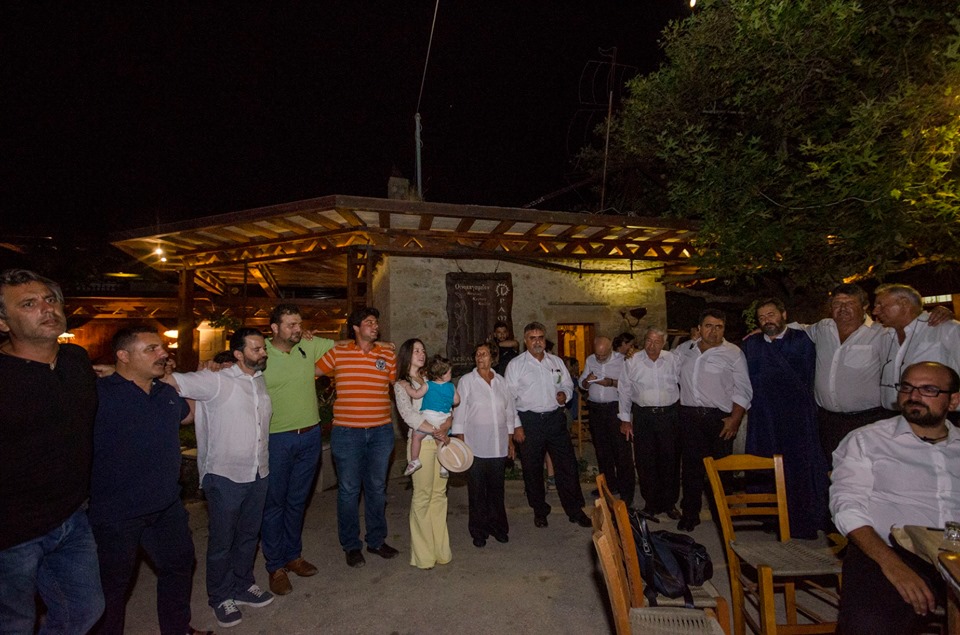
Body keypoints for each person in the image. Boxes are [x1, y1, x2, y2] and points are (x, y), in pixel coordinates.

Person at [0, 269, 105, 633]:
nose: (46, 308)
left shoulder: (76, 359)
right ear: (3, 322)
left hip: (72, 518)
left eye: (50, 299)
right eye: (29, 304)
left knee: (84, 610)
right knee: (14, 623)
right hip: (12, 533)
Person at [89, 326, 206, 635]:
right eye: (151, 349)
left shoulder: (165, 393)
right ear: (123, 356)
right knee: (113, 586)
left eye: (161, 347)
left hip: (166, 506)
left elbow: (187, 415)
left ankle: (177, 629)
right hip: (117, 512)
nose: (163, 353)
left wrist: (202, 378)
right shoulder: (98, 394)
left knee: (179, 566)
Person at [830, 361, 960, 635]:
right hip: (892, 551)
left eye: (928, 390)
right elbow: (847, 507)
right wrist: (892, 565)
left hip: (956, 552)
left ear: (953, 400)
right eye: (907, 387)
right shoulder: (867, 440)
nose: (914, 396)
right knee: (870, 624)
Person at [164, 327, 274, 628]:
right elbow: (171, 381)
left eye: (263, 348)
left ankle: (243, 585)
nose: (263, 353)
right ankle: (220, 596)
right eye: (256, 349)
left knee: (249, 535)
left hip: (258, 471)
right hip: (225, 474)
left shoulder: (259, 380)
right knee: (222, 541)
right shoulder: (216, 380)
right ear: (238, 353)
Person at [315, 307, 399, 568]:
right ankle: (351, 545)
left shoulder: (387, 354)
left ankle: (376, 541)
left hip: (381, 432)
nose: (375, 326)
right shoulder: (338, 353)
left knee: (377, 488)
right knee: (349, 490)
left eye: (376, 322)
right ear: (355, 327)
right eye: (369, 322)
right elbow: (311, 372)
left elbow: (398, 386)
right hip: (347, 432)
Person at [261, 304, 335, 595]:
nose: (297, 329)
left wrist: (380, 344)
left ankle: (293, 555)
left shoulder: (307, 345)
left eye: (299, 324)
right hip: (276, 438)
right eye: (290, 325)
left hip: (310, 435)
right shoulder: (261, 351)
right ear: (274, 328)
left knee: (297, 500)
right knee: (274, 503)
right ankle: (275, 566)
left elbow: (343, 345)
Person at [743, 298, 829, 539]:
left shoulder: (804, 340)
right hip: (764, 417)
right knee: (767, 466)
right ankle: (771, 518)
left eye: (771, 314)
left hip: (798, 417)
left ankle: (803, 521)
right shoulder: (751, 345)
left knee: (799, 468)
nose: (766, 321)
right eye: (761, 318)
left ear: (783, 314)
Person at [505, 321, 591, 528]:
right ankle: (540, 510)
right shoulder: (516, 365)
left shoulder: (556, 361)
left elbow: (567, 384)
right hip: (529, 421)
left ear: (545, 339)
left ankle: (575, 509)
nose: (537, 342)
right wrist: (516, 426)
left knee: (567, 465)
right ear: (525, 341)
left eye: (540, 337)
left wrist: (565, 394)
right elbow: (508, 399)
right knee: (532, 468)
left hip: (554, 419)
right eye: (532, 338)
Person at [677, 308, 752, 532]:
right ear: (699, 328)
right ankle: (690, 514)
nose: (714, 331)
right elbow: (666, 364)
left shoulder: (733, 353)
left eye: (719, 327)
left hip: (719, 419)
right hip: (689, 417)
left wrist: (735, 419)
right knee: (691, 468)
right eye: (709, 326)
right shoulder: (685, 349)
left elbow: (744, 389)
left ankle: (723, 516)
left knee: (721, 470)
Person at [394, 339, 453, 569]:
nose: (421, 354)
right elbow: (409, 415)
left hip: (441, 442)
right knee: (422, 497)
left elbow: (448, 407)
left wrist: (446, 426)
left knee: (440, 495)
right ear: (407, 355)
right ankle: (424, 555)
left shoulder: (432, 379)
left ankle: (441, 551)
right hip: (422, 445)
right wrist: (436, 430)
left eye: (423, 350)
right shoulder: (402, 384)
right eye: (416, 350)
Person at [452, 341, 517, 547]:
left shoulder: (501, 381)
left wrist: (510, 440)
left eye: (485, 354)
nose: (480, 357)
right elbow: (459, 414)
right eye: (478, 354)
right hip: (475, 446)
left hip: (498, 446)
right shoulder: (467, 381)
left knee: (497, 491)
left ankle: (498, 527)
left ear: (493, 358)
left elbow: (509, 412)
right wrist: (460, 444)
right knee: (477, 492)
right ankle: (478, 531)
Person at [618, 327, 682, 519]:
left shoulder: (673, 359)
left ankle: (669, 503)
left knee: (670, 460)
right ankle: (651, 503)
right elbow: (624, 390)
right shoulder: (632, 361)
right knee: (645, 461)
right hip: (643, 416)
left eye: (656, 342)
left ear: (664, 343)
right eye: (648, 340)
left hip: (669, 415)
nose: (651, 345)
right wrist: (625, 420)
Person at [872, 283, 960, 412]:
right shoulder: (884, 336)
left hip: (939, 418)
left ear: (904, 303)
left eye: (881, 305)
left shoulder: (946, 329)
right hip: (893, 417)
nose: (875, 311)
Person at [579, 336, 632, 505]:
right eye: (597, 355)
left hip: (614, 409)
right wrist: (587, 381)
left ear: (611, 350)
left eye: (603, 355)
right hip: (596, 409)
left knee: (621, 452)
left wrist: (610, 382)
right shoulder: (590, 360)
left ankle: (626, 490)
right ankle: (608, 486)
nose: (600, 358)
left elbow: (628, 385)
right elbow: (582, 384)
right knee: (602, 451)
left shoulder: (622, 361)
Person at [399, 354, 460, 477]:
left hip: (429, 417)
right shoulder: (451, 386)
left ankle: (415, 460)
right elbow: (457, 401)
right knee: (440, 442)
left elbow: (415, 394)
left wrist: (406, 386)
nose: (451, 375)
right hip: (443, 418)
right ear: (442, 375)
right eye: (449, 373)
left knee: (416, 437)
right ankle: (444, 466)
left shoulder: (428, 385)